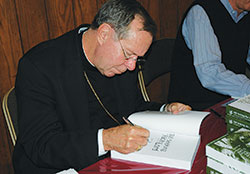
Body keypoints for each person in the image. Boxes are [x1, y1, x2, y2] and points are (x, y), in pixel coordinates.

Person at [13, 0, 191, 173]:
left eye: (138, 59)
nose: (131, 66)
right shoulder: (39, 66)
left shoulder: (121, 65)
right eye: (128, 55)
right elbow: (41, 145)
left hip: (113, 161)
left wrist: (164, 109)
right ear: (104, 33)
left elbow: (133, 107)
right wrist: (105, 140)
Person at [168, 0, 250, 110]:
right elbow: (209, 73)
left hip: (232, 103)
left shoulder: (246, 15)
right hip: (193, 107)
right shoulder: (201, 12)